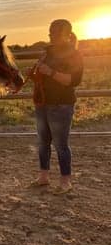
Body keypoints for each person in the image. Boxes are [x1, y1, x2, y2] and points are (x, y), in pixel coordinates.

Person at [27, 19, 84, 194]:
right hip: (43, 103)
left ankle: (65, 182)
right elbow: (41, 73)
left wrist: (49, 72)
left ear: (67, 34)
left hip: (62, 104)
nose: (51, 34)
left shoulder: (74, 55)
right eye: (51, 31)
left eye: (55, 32)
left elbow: (72, 80)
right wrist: (35, 73)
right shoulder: (46, 52)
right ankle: (43, 177)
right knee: (43, 142)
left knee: (61, 144)